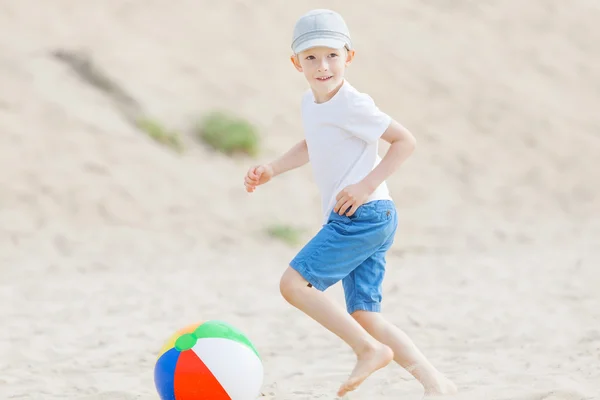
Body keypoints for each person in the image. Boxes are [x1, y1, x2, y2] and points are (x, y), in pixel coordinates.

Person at [244, 9, 458, 398]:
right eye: (311, 57)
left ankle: (367, 350)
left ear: (349, 56)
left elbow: (404, 141)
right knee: (365, 315)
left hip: (364, 213)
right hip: (369, 217)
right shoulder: (312, 104)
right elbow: (313, 144)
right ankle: (435, 382)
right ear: (296, 64)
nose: (322, 66)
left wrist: (364, 185)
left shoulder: (353, 103)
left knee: (293, 284)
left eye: (332, 55)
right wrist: (273, 168)